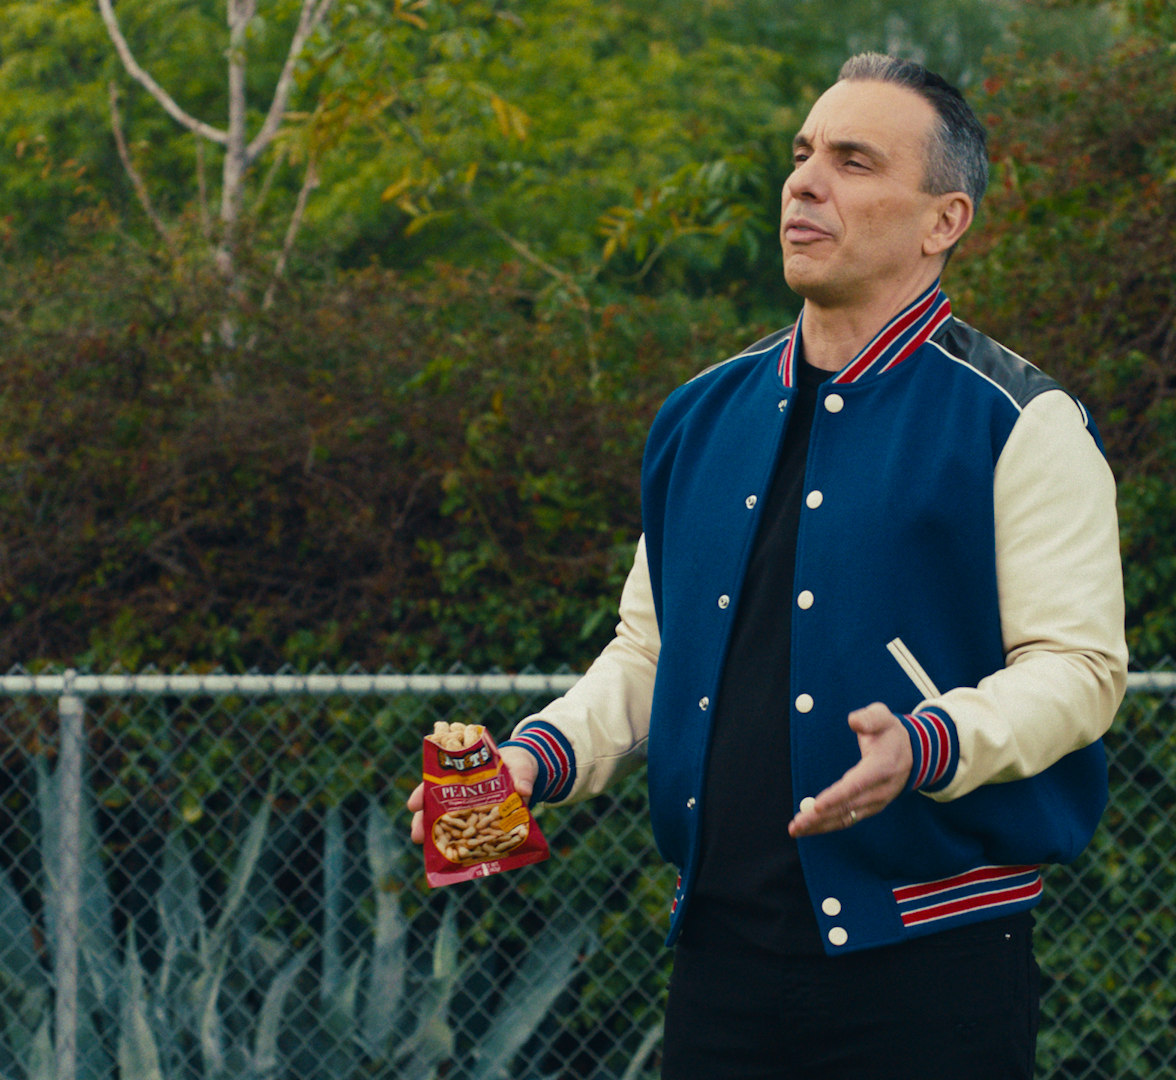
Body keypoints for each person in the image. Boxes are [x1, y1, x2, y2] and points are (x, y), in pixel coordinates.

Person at [409, 52, 1126, 1079]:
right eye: (801, 155)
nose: (805, 181)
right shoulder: (698, 417)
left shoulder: (1023, 423)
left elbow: (1080, 670)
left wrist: (927, 744)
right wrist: (532, 765)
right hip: (718, 962)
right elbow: (650, 653)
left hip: (932, 967)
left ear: (944, 222)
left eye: (854, 160)